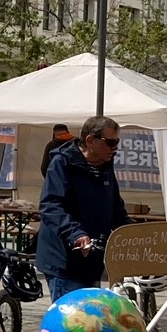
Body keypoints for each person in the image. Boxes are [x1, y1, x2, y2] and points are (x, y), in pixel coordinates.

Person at [37, 114, 128, 298]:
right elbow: (51, 205)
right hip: (64, 261)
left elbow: (115, 208)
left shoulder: (105, 166)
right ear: (90, 140)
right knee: (72, 322)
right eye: (110, 143)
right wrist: (75, 234)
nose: (115, 148)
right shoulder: (62, 163)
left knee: (89, 321)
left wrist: (132, 233)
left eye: (117, 142)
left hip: (92, 261)